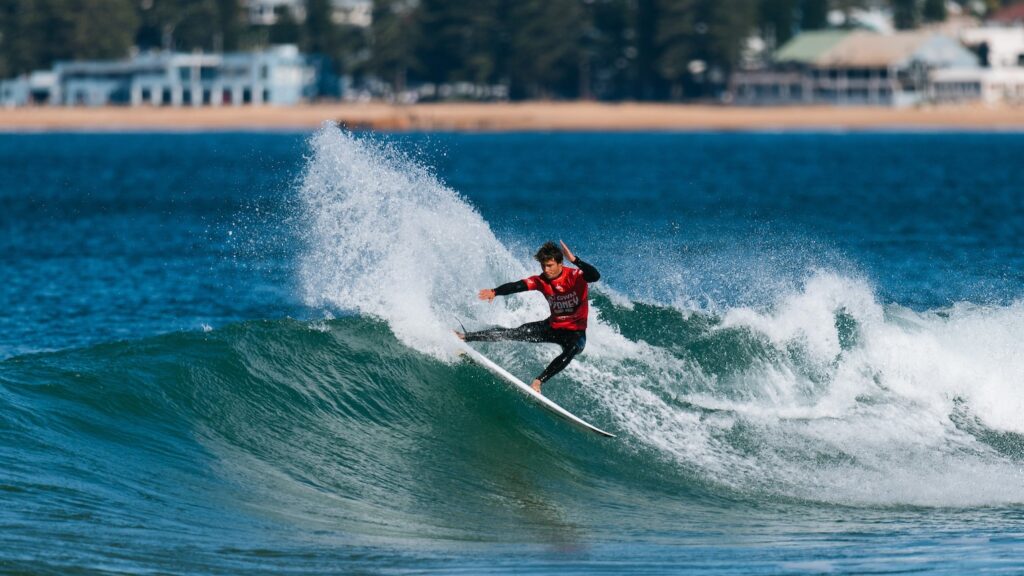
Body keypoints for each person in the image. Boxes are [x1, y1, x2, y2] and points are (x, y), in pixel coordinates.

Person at [456, 240, 600, 394]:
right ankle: (465, 337)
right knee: (514, 333)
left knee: (571, 350)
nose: (546, 270)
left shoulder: (576, 276)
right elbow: (517, 286)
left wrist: (574, 260)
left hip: (575, 333)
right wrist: (495, 291)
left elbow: (595, 276)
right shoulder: (541, 281)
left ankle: (538, 382)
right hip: (552, 327)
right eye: (543, 266)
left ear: (560, 263)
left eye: (550, 265)